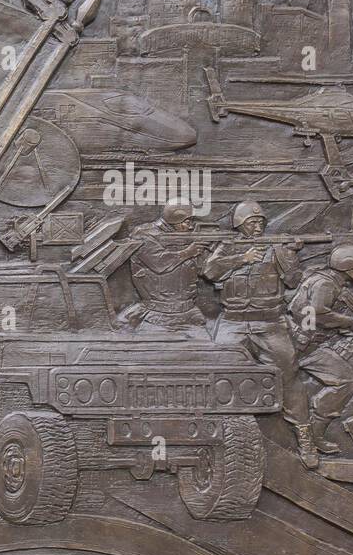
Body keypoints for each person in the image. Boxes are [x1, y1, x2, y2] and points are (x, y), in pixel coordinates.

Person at [202, 200, 314, 466]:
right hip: (233, 322)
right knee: (213, 373)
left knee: (289, 375)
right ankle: (208, 438)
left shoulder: (275, 246)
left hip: (269, 322)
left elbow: (293, 280)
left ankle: (305, 436)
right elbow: (209, 270)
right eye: (251, 222)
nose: (257, 226)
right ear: (239, 224)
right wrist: (243, 257)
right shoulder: (228, 246)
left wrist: (289, 254)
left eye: (261, 222)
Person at [290, 244, 353, 454]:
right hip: (306, 347)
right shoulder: (324, 284)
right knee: (345, 380)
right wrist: (350, 323)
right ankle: (314, 432)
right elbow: (317, 314)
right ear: (347, 267)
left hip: (315, 342)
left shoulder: (334, 283)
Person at [121, 199, 211, 336]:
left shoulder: (187, 238)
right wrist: (188, 252)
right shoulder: (144, 234)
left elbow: (205, 271)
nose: (191, 226)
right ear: (175, 219)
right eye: (187, 221)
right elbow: (159, 263)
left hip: (189, 313)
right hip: (157, 316)